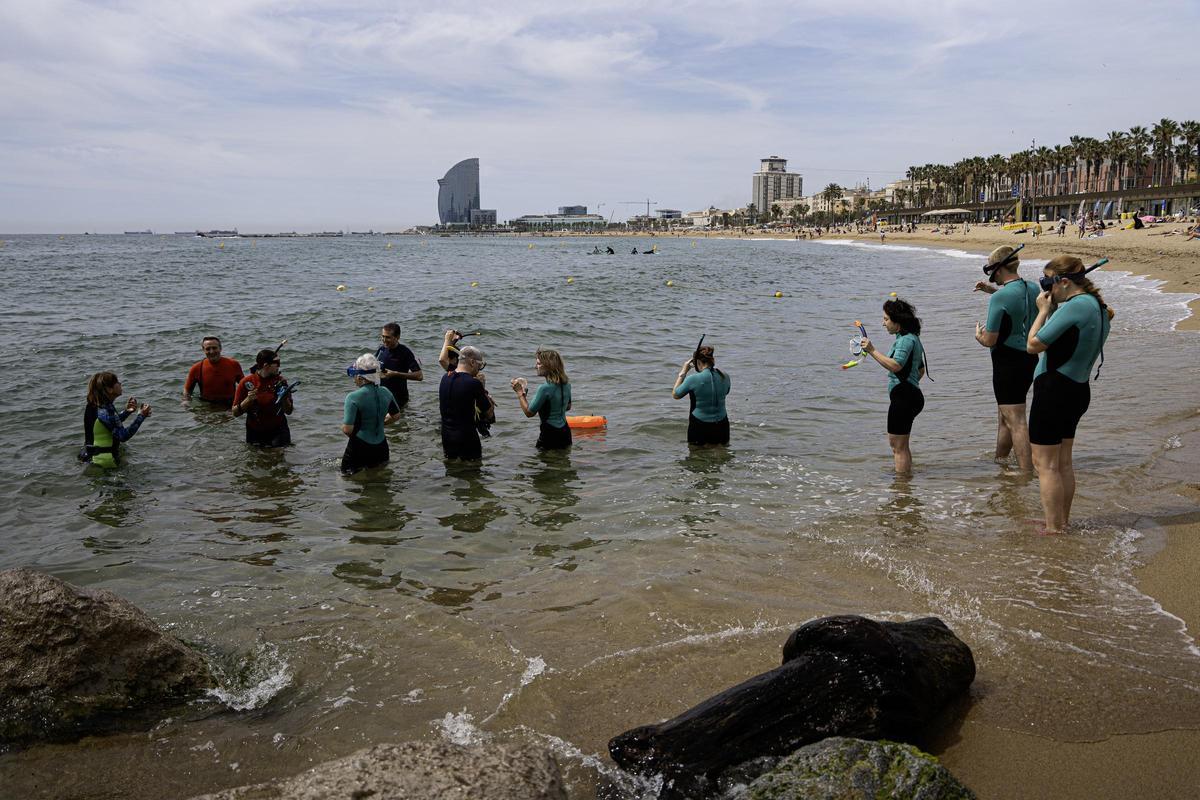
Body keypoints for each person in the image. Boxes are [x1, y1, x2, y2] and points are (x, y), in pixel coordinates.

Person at [1026, 255, 1113, 533]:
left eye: (1046, 282)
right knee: (1063, 461)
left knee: (1045, 465)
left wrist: (1042, 311)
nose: (1046, 290)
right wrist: (1053, 312)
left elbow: (1033, 345)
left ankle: (1054, 528)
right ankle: (1061, 521)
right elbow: (1069, 341)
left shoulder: (1075, 307)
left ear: (1063, 282)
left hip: (1053, 389)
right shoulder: (1099, 307)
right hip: (1077, 389)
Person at [973, 246, 1040, 470]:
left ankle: (1025, 472)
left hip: (1007, 362)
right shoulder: (1032, 288)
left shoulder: (1000, 297)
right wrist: (992, 291)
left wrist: (979, 337)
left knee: (1016, 420)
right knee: (1006, 417)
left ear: (998, 269)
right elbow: (1018, 305)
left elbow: (991, 339)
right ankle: (1000, 464)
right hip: (1029, 358)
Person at [860, 297, 926, 475]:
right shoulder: (912, 338)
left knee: (897, 446)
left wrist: (872, 350)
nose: (883, 324)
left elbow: (896, 365)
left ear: (898, 322)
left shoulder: (905, 340)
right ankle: (906, 481)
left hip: (904, 396)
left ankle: (901, 488)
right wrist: (910, 385)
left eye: (886, 319)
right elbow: (920, 370)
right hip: (910, 395)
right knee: (902, 445)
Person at [341, 353, 400, 474]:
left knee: (347, 479)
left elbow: (347, 429)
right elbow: (396, 415)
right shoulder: (386, 392)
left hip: (360, 446)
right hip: (381, 447)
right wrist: (378, 423)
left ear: (360, 377)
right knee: (378, 478)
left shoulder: (353, 397)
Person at [80, 372, 151, 468]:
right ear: (109, 389)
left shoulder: (99, 406)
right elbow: (123, 436)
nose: (120, 384)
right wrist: (141, 416)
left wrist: (127, 412)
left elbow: (110, 424)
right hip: (104, 461)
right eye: (117, 382)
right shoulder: (105, 411)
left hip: (92, 456)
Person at [439, 345, 493, 460]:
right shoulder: (474, 384)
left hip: (447, 437)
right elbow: (489, 413)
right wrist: (485, 393)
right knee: (473, 474)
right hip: (467, 439)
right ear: (472, 362)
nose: (479, 369)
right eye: (480, 365)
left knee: (452, 471)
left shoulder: (445, 378)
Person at [511, 348, 573, 450]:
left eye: (539, 364)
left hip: (549, 434)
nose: (536, 367)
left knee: (547, 463)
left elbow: (529, 413)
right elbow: (568, 407)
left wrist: (519, 393)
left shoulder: (544, 388)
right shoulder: (566, 384)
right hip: (565, 432)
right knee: (563, 463)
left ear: (549, 366)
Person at [232, 348, 294, 447]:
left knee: (278, 458)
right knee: (257, 460)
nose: (279, 366)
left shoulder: (281, 381)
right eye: (277, 363)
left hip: (278, 429)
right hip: (255, 430)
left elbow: (289, 411)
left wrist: (285, 399)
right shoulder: (247, 382)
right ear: (266, 365)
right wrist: (247, 400)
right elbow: (235, 412)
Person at [672, 343, 731, 445]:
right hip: (722, 425)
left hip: (700, 426)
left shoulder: (693, 379)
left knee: (696, 456)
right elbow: (726, 392)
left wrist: (683, 372)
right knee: (721, 456)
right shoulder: (725, 376)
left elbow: (676, 394)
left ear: (698, 362)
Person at [183, 336, 244, 405]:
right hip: (207, 405)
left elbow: (244, 385)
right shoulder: (197, 368)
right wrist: (186, 401)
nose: (211, 352)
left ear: (220, 348)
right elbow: (187, 390)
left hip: (229, 405)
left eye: (214, 348)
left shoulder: (233, 364)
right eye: (208, 349)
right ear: (203, 350)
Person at [375, 322, 423, 408]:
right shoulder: (381, 350)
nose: (384, 340)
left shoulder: (405, 352)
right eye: (383, 336)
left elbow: (419, 376)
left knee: (400, 420)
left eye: (388, 337)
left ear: (397, 337)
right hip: (382, 397)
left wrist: (395, 374)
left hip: (399, 399)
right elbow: (373, 367)